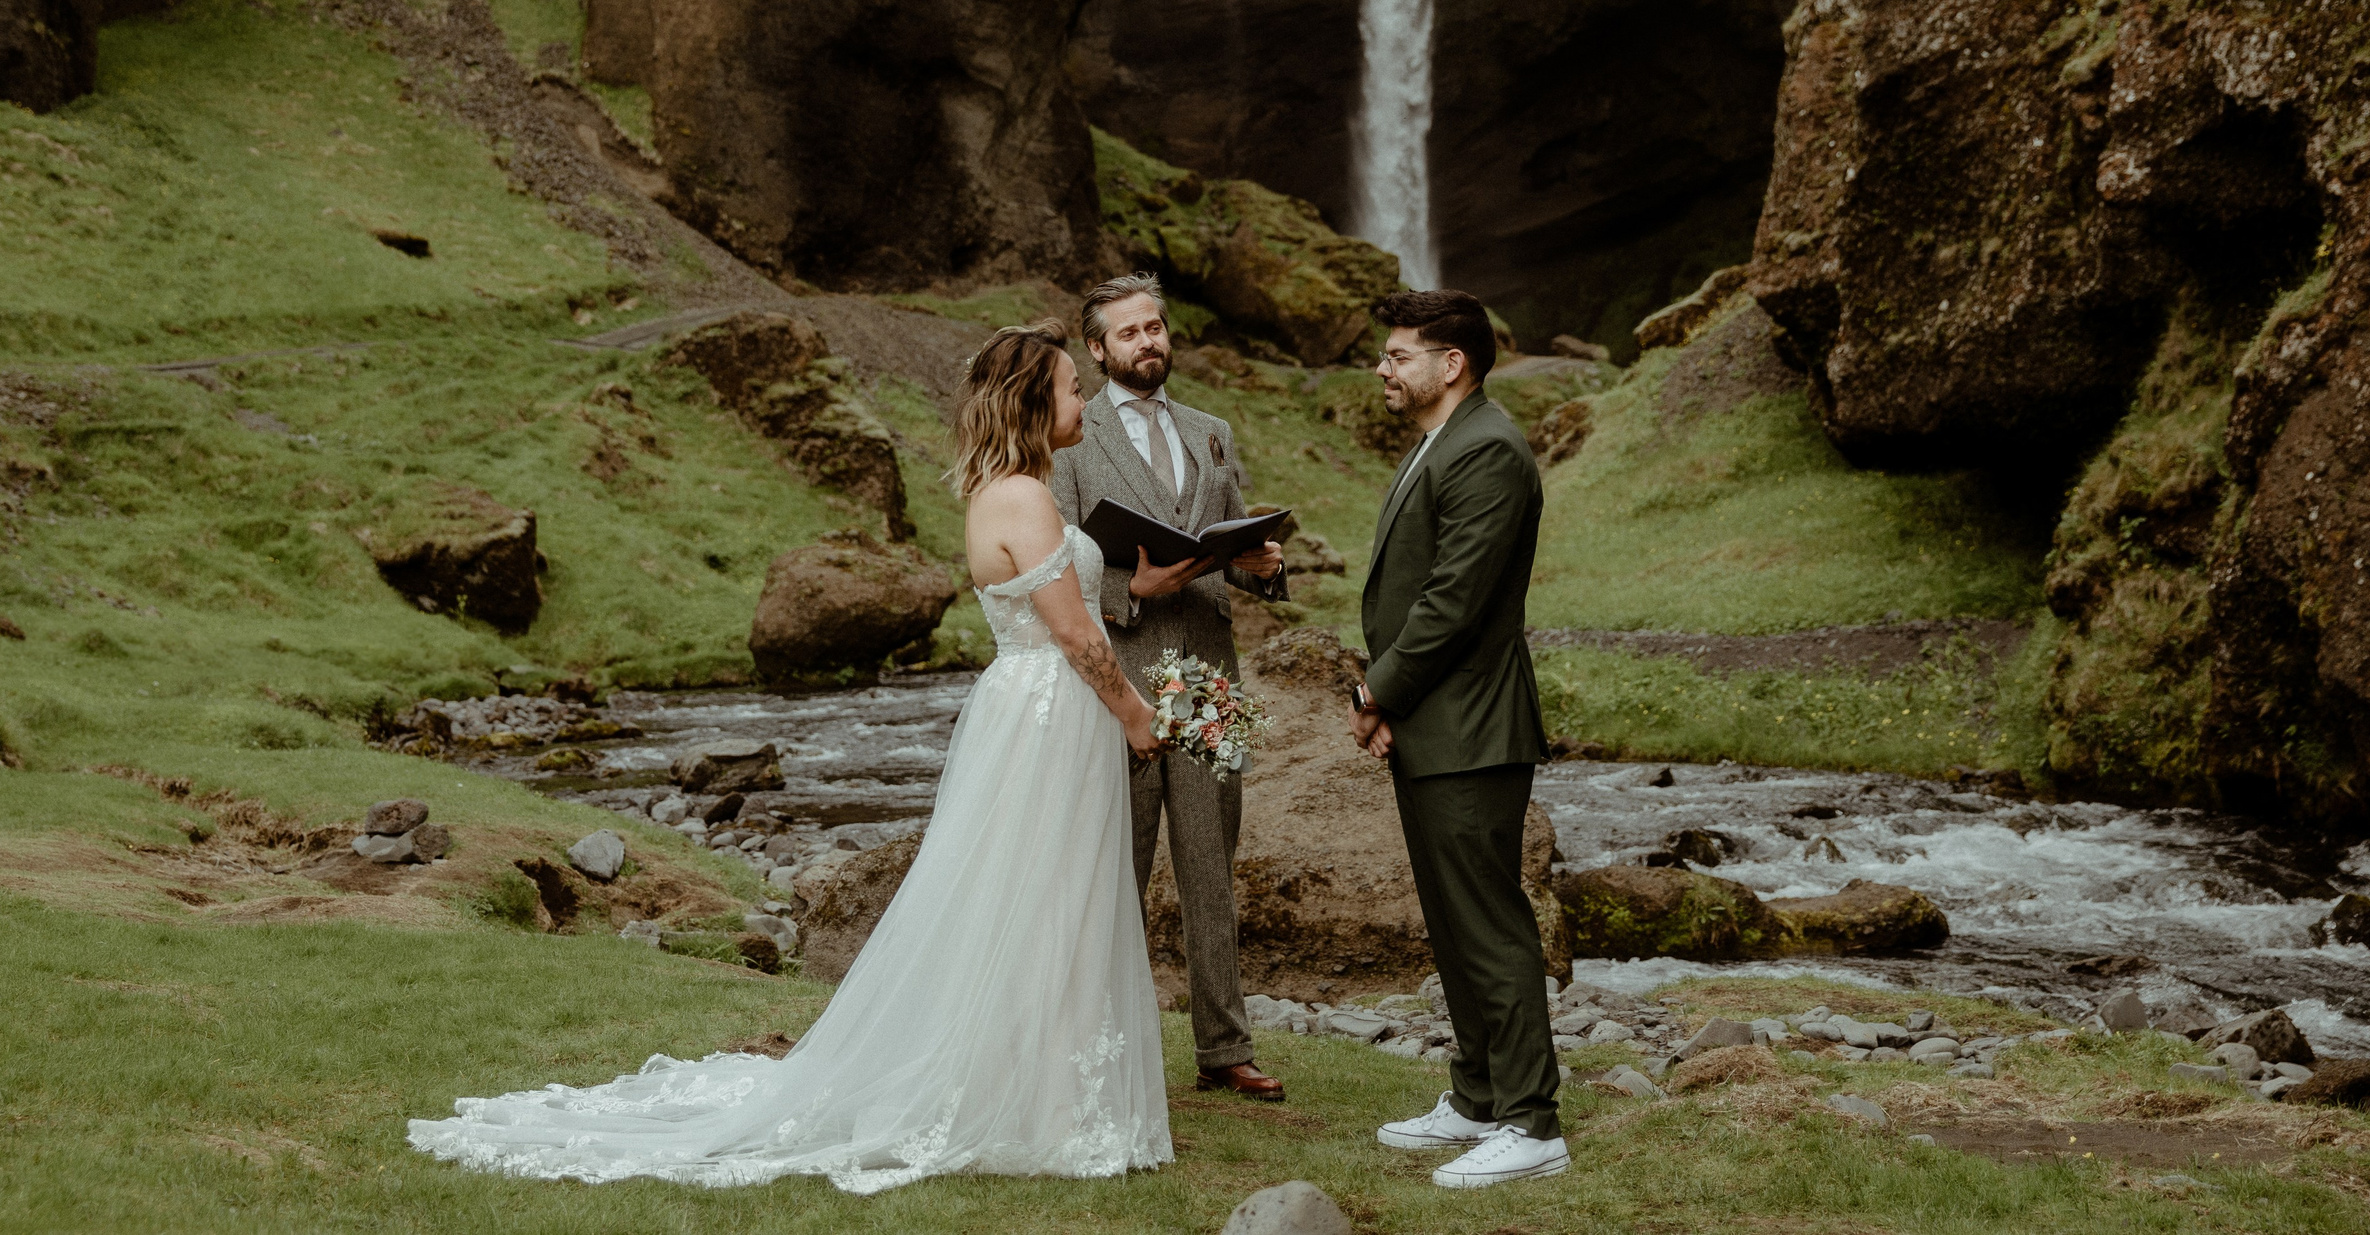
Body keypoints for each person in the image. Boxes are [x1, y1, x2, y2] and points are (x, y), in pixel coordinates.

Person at [405, 322, 1172, 1194]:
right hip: (1046, 713)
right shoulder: (1024, 498)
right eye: (1073, 387)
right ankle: (1031, 1099)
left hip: (1043, 711)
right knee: (1038, 896)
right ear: (1036, 401)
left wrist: (1141, 589)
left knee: (1053, 896)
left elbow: (1068, 605)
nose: (1084, 399)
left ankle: (1050, 1090)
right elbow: (1073, 634)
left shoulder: (1022, 491)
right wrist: (1137, 713)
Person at [1049, 273, 1289, 1101]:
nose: (1148, 342)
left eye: (1155, 327)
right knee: (1117, 863)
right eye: (1129, 333)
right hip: (1120, 681)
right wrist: (1128, 593)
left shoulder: (1210, 433)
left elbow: (1227, 556)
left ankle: (1225, 1047)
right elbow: (1055, 572)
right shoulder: (1070, 441)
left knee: (1211, 865)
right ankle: (1099, 1043)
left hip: (1210, 677)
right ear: (1097, 348)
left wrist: (1264, 567)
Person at [1347, 288, 1562, 1189]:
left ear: (1453, 364)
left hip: (1472, 724)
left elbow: (1452, 601)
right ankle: (1476, 1096)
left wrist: (1375, 689)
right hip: (1438, 722)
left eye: (1400, 355)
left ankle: (1532, 1122)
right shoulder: (1446, 440)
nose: (1385, 369)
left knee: (1490, 923)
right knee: (1452, 921)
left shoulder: (1489, 450)